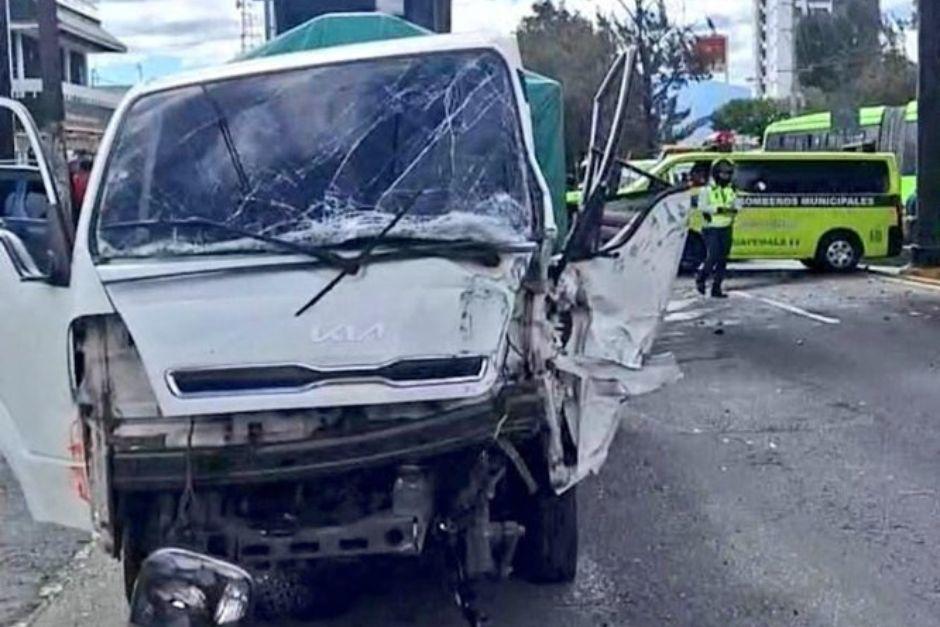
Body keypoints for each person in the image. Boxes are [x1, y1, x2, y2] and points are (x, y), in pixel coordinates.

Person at [696, 159, 739, 298]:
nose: (726, 177)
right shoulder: (707, 189)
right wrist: (717, 209)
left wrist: (734, 209)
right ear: (716, 173)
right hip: (711, 227)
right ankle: (701, 277)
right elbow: (702, 206)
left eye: (728, 174)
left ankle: (716, 288)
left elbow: (737, 204)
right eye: (723, 174)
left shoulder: (731, 189)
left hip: (727, 226)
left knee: (723, 259)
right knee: (713, 255)